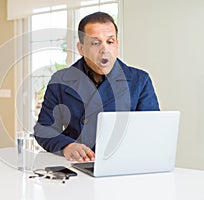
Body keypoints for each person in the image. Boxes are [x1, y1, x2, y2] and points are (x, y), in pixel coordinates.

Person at [34, 12, 159, 163]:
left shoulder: (140, 81)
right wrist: (68, 145)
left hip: (123, 166)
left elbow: (152, 131)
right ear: (81, 49)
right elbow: (44, 129)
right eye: (95, 43)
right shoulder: (60, 80)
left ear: (117, 44)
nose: (104, 49)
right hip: (76, 166)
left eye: (110, 41)